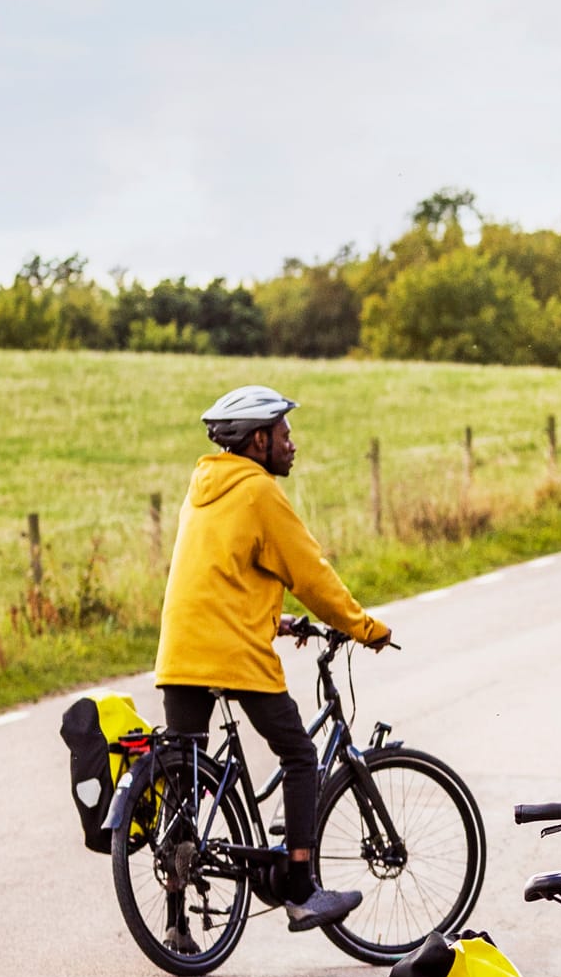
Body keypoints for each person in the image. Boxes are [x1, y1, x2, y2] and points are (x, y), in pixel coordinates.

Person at [155, 385, 393, 934]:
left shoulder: (204, 488)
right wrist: (363, 627)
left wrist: (273, 620)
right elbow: (310, 574)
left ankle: (176, 926)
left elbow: (222, 577)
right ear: (258, 440)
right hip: (230, 655)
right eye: (284, 434)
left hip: (180, 652)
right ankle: (303, 888)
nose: (292, 444)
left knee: (185, 787)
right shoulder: (258, 492)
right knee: (300, 755)